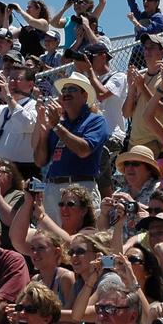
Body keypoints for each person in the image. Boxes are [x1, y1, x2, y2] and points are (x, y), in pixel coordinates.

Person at [34, 73, 109, 217]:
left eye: (72, 90)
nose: (66, 93)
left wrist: (56, 126)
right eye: (64, 90)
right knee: (51, 238)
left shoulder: (96, 121)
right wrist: (43, 136)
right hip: (53, 190)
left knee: (81, 237)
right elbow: (40, 161)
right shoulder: (58, 124)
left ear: (85, 96)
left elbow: (83, 150)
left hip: (80, 188)